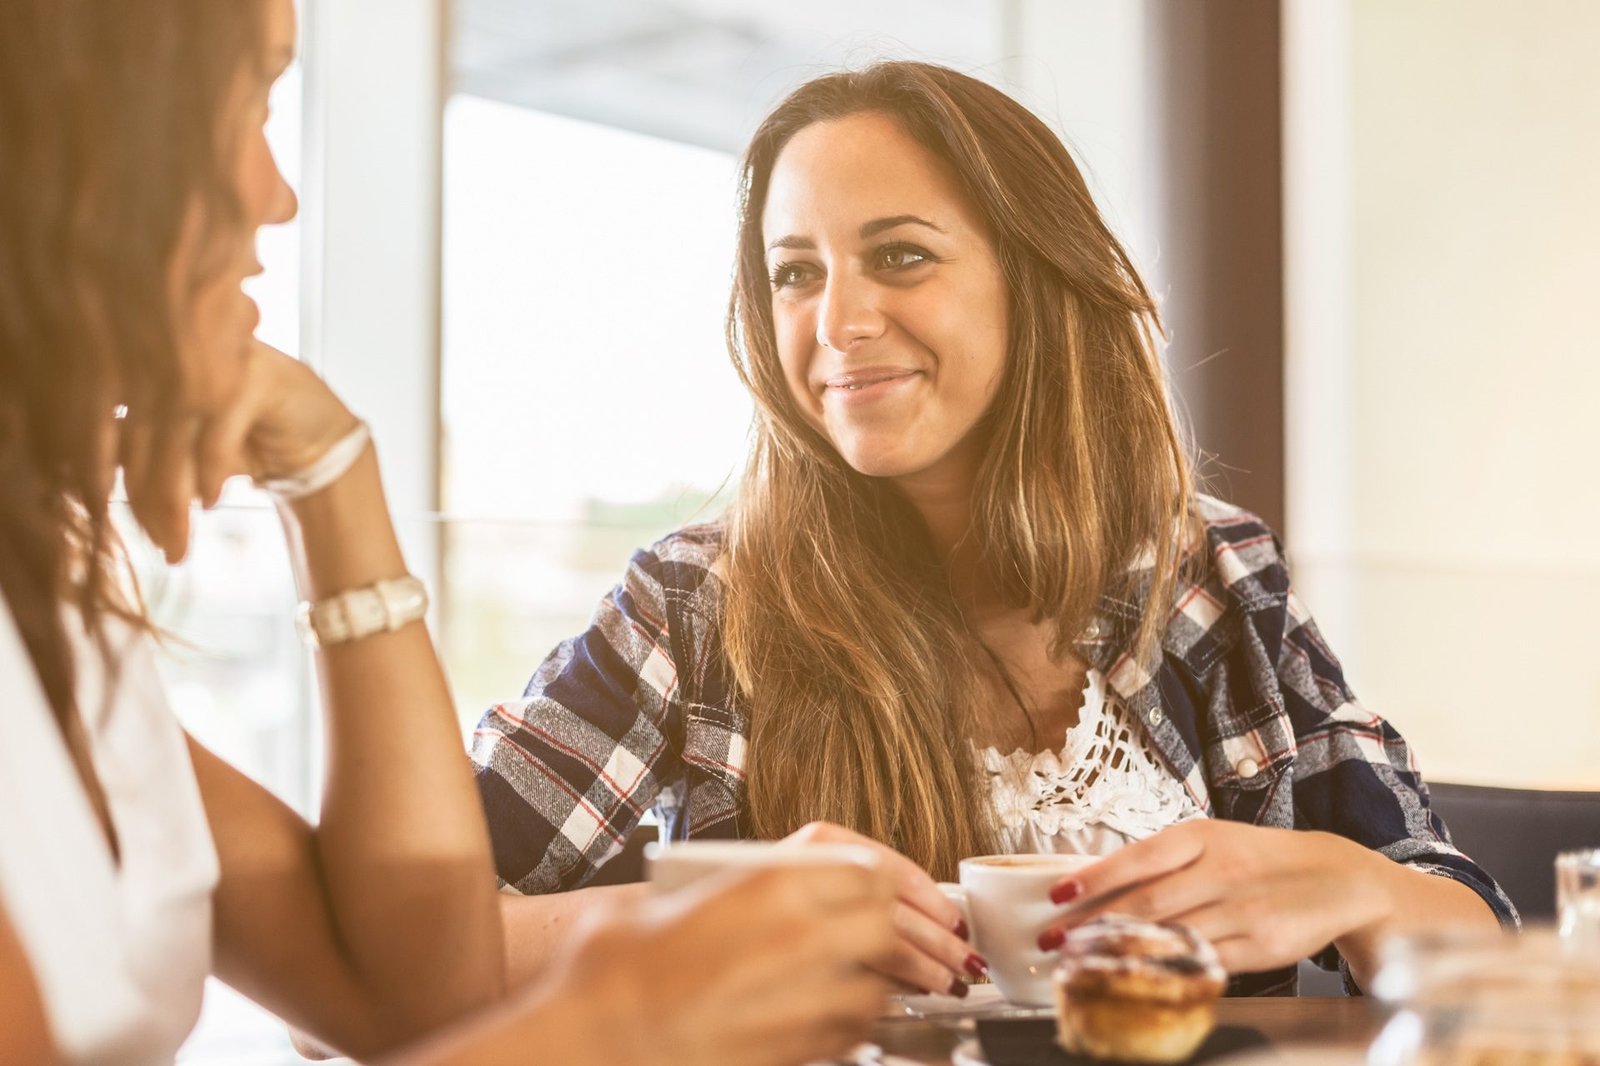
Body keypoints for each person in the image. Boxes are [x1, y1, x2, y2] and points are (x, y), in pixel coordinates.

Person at [472, 59, 1518, 1000]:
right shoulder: (695, 604)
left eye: (899, 256)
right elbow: (414, 947)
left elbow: (1473, 941)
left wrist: (1355, 885)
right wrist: (693, 916)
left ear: (1036, 279)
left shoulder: (1211, 571)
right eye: (796, 271)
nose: (836, 322)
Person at [0, 2, 899, 1064]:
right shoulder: (693, 594)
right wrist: (613, 1024)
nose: (277, 196)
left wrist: (334, 476)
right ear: (76, 138)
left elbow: (410, 996)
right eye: (247, 105)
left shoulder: (54, 613)